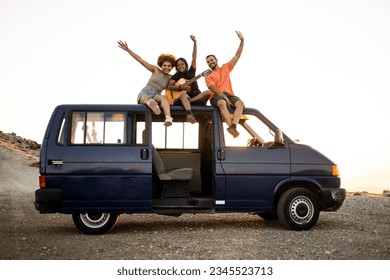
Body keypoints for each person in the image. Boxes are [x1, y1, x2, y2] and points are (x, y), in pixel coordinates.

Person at [118, 40, 176, 126]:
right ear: (161, 65)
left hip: (157, 95)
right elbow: (141, 60)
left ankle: (168, 118)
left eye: (169, 66)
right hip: (147, 91)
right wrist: (128, 49)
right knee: (146, 97)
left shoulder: (171, 78)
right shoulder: (155, 70)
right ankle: (151, 104)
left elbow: (180, 84)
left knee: (164, 97)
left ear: (172, 67)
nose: (166, 67)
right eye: (164, 65)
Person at [205, 31, 245, 138]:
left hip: (229, 94)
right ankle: (231, 127)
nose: (210, 62)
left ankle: (233, 126)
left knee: (240, 103)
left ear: (216, 60)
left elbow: (237, 55)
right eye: (208, 62)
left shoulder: (225, 68)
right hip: (216, 97)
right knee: (222, 103)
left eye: (211, 60)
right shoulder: (208, 75)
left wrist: (242, 41)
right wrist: (223, 97)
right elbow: (213, 88)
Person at [167, 35, 210, 124]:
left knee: (208, 92)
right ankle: (189, 114)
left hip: (197, 97)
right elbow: (169, 86)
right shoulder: (176, 76)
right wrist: (180, 87)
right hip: (184, 98)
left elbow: (194, 57)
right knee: (183, 95)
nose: (180, 66)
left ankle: (189, 102)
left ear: (186, 65)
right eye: (178, 65)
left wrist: (195, 43)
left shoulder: (191, 72)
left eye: (182, 64)